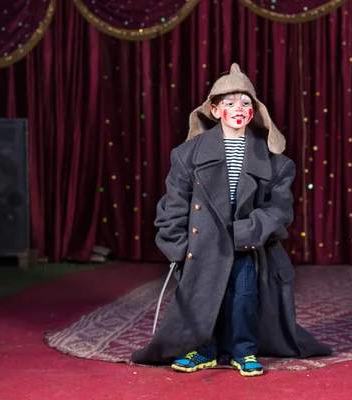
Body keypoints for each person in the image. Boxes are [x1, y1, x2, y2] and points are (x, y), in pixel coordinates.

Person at [131, 63, 331, 377]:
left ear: (255, 111)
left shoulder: (277, 163)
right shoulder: (187, 155)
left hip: (246, 243)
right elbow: (173, 204)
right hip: (203, 243)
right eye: (229, 102)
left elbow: (279, 211)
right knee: (204, 297)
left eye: (246, 102)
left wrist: (247, 231)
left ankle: (244, 350)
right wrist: (178, 246)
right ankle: (204, 349)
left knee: (243, 297)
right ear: (214, 109)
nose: (238, 108)